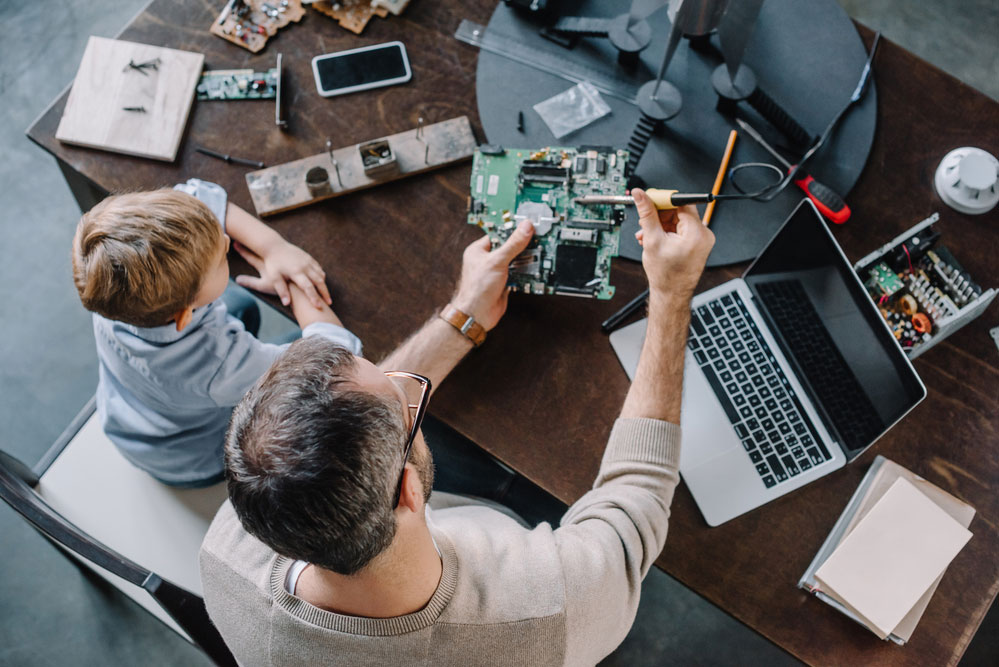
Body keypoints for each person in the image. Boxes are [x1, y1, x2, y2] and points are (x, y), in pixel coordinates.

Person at [199, 189, 715, 665]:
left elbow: (345, 421)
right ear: (406, 491)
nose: (409, 388)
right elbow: (636, 502)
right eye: (405, 404)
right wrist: (671, 294)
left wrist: (462, 317)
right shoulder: (549, 612)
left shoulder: (237, 532)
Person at [71, 179, 362, 487]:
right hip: (194, 457)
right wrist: (295, 281)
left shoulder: (111, 278)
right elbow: (336, 356)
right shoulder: (217, 366)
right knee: (299, 360)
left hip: (132, 421)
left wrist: (274, 249)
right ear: (185, 313)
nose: (225, 240)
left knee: (243, 306)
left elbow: (197, 198)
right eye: (221, 259)